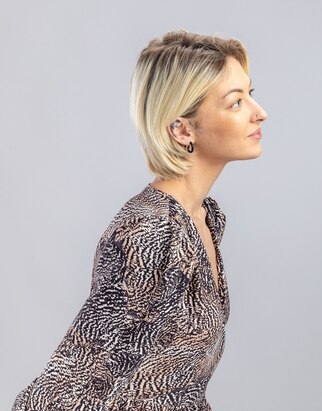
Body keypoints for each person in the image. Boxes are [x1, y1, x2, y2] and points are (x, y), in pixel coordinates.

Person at [13, 31, 267, 410]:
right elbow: (75, 375)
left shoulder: (203, 218)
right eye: (235, 103)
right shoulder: (147, 230)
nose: (258, 111)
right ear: (182, 129)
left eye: (250, 94)